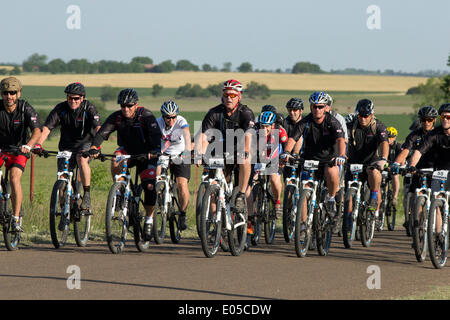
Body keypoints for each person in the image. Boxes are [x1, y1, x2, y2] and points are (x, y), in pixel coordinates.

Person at [90, 88, 161, 240]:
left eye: (129, 106)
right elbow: (103, 133)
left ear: (136, 105)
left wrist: (155, 151)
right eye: (123, 106)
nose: (126, 109)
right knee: (116, 156)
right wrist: (94, 147)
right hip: (127, 151)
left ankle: (149, 219)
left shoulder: (146, 116)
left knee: (149, 186)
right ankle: (119, 190)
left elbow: (156, 136)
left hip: (146, 154)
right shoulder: (117, 117)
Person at [36, 82, 101, 210]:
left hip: (86, 144)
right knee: (61, 178)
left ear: (82, 98)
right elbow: (47, 128)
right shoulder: (61, 109)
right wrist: (38, 144)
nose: (73, 101)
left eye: (76, 98)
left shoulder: (89, 108)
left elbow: (98, 128)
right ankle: (63, 212)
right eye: (70, 98)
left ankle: (86, 194)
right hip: (66, 146)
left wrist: (96, 147)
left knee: (81, 159)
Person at [282, 91, 346, 220]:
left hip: (328, 158)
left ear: (325, 107)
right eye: (314, 106)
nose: (317, 109)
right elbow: (293, 138)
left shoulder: (332, 121)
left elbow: (340, 139)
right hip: (309, 159)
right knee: (304, 191)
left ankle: (331, 199)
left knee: (332, 172)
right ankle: (304, 226)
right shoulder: (305, 121)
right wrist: (286, 153)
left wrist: (341, 155)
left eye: (320, 107)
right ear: (310, 107)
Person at [196, 79, 255, 212]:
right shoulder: (214, 113)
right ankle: (214, 223)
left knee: (245, 159)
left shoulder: (245, 112)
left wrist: (245, 151)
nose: (229, 98)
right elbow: (204, 136)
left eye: (232, 95)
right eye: (226, 95)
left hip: (240, 150)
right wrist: (200, 153)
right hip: (221, 152)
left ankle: (240, 195)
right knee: (214, 186)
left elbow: (248, 136)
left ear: (239, 96)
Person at [0, 77, 41, 232]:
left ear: (18, 93)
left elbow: (37, 130)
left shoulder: (25, 108)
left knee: (14, 177)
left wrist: (29, 146)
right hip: (1, 149)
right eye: (5, 93)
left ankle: (16, 219)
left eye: (12, 92)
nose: (9, 96)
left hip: (19, 150)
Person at [407, 103, 450, 232]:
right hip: (439, 172)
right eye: (443, 117)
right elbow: (419, 152)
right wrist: (412, 166)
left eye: (448, 117)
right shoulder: (434, 133)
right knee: (435, 203)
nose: (445, 120)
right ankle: (437, 237)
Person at [346, 99, 389, 217]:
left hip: (372, 160)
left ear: (372, 114)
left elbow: (384, 143)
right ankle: (348, 220)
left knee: (374, 173)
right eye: (360, 115)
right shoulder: (351, 126)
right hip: (354, 161)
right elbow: (343, 141)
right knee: (348, 194)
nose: (363, 118)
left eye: (366, 115)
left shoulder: (378, 126)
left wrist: (384, 158)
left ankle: (374, 199)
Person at [249, 110, 288, 234]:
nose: (264, 129)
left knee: (273, 179)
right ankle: (253, 209)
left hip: (276, 158)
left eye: (267, 126)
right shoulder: (255, 132)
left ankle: (277, 203)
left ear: (272, 125)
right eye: (262, 126)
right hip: (261, 158)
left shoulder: (280, 131)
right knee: (253, 181)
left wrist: (285, 156)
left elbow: (287, 145)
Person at [156, 100, 191, 230]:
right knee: (156, 177)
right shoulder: (158, 122)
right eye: (167, 117)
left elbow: (187, 135)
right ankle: (159, 200)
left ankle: (183, 213)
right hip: (163, 155)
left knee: (181, 183)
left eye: (173, 117)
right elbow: (152, 138)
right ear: (163, 116)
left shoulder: (181, 121)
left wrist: (187, 152)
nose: (171, 120)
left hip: (179, 154)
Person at [385, 127, 402, 207]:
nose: (389, 139)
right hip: (384, 167)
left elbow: (402, 159)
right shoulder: (382, 145)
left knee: (395, 176)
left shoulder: (398, 146)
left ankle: (395, 196)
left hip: (394, 168)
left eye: (391, 137)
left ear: (395, 137)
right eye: (387, 137)